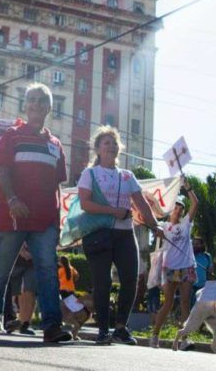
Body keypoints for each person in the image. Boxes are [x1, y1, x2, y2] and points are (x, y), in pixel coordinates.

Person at [0, 83, 71, 342]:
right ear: (26, 104)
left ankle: (52, 327)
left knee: (47, 272)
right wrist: (12, 199)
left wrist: (58, 220)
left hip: (45, 221)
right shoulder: (12, 135)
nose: (36, 104)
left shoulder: (56, 145)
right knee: (1, 269)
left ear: (49, 108)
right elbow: (4, 170)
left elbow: (57, 185)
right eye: (31, 99)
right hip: (14, 216)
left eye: (41, 100)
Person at [77, 126, 161, 345]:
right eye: (106, 143)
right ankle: (103, 330)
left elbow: (141, 203)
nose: (111, 146)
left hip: (125, 235)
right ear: (97, 149)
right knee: (102, 282)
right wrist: (114, 211)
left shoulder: (128, 176)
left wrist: (155, 225)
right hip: (98, 234)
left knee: (130, 280)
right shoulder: (90, 174)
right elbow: (85, 204)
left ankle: (121, 327)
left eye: (114, 143)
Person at [150, 185, 199, 349]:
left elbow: (195, 203)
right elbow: (151, 223)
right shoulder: (163, 226)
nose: (178, 211)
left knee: (185, 302)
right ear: (171, 210)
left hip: (186, 266)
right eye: (176, 207)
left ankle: (184, 339)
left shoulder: (186, 223)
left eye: (181, 209)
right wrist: (157, 231)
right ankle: (155, 335)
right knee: (168, 303)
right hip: (169, 268)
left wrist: (188, 188)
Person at [4, 244, 38, 335]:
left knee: (30, 291)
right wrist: (21, 249)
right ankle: (16, 321)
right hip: (16, 259)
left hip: (34, 260)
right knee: (19, 291)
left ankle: (24, 323)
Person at [191, 237, 213, 309]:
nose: (195, 246)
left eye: (197, 244)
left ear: (202, 245)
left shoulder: (207, 256)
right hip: (191, 286)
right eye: (193, 244)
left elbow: (210, 271)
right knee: (194, 307)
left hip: (204, 286)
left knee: (205, 307)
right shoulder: (189, 255)